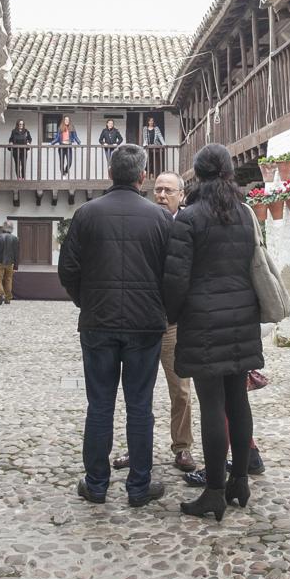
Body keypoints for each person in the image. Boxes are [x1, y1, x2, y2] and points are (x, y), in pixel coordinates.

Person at [58, 144, 171, 507]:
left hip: (98, 322)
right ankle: (138, 487)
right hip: (145, 325)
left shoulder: (86, 214)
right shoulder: (159, 218)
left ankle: (96, 484)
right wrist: (161, 308)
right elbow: (174, 273)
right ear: (142, 177)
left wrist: (86, 301)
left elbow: (68, 270)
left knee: (100, 405)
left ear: (110, 173)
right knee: (140, 406)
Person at [164, 143, 261, 522]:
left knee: (212, 406)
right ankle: (240, 481)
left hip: (204, 321)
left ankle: (215, 491)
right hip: (241, 318)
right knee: (238, 401)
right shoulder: (243, 214)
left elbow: (176, 278)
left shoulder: (189, 218)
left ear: (197, 175)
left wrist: (170, 315)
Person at [112, 172, 197, 474]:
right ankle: (137, 449)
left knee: (181, 390)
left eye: (168, 190)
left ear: (181, 195)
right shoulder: (143, 220)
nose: (161, 195)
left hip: (173, 324)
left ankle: (183, 447)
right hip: (143, 321)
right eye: (157, 189)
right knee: (138, 392)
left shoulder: (187, 226)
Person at [0, 222, 19, 306]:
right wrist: (16, 266)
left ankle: (0, 294)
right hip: (10, 263)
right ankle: (8, 298)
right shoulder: (15, 238)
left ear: (4, 227)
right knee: (8, 280)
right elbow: (16, 253)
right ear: (12, 228)